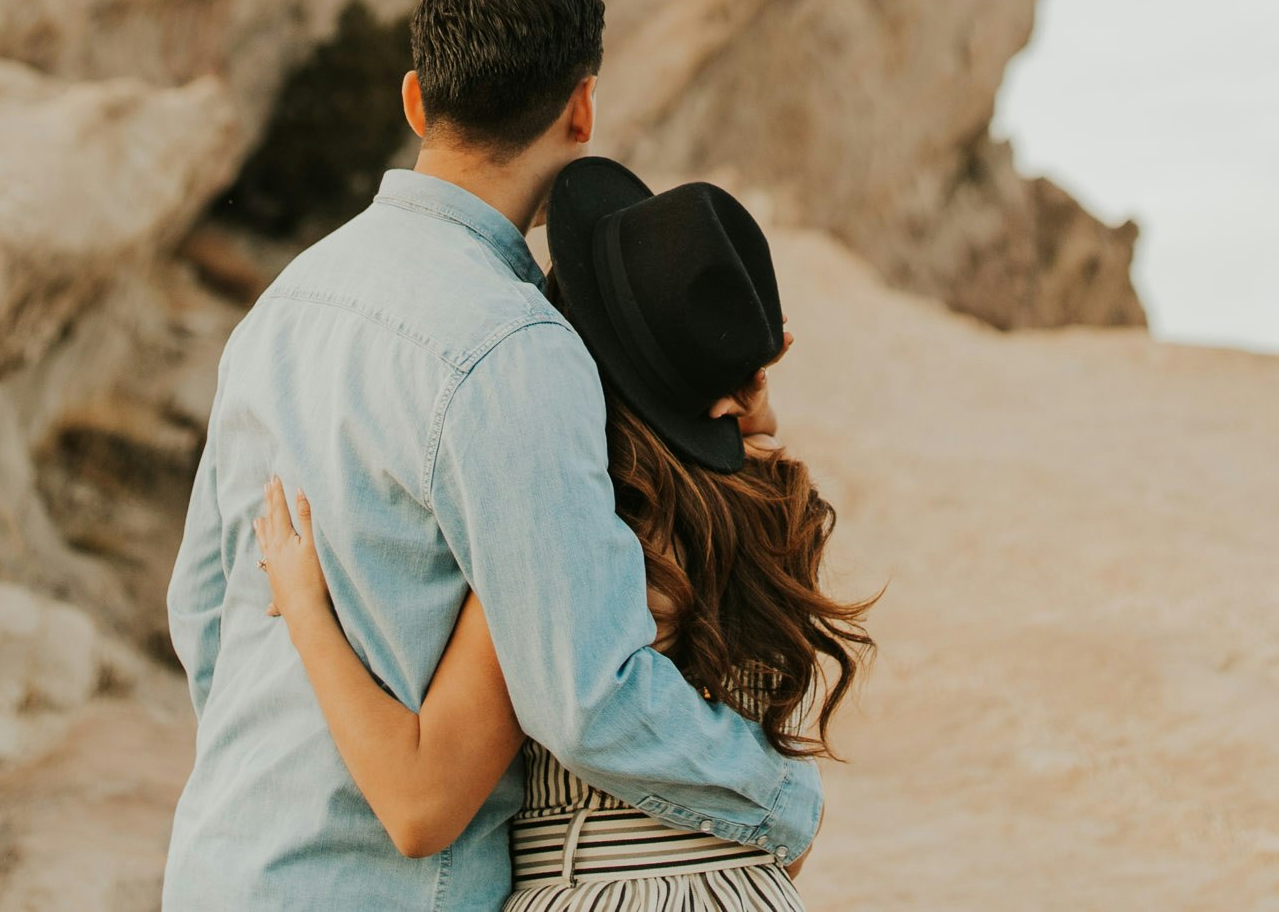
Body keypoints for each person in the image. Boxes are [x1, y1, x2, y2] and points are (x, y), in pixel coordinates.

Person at [164, 0, 825, 909]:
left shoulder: (282, 308)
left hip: (220, 869)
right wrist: (780, 798)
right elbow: (583, 693)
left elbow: (202, 615)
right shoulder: (516, 348)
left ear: (415, 102)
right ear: (583, 109)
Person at [255, 160, 875, 908]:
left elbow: (419, 801)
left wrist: (306, 609)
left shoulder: (579, 541)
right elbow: (770, 848)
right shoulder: (769, 519)